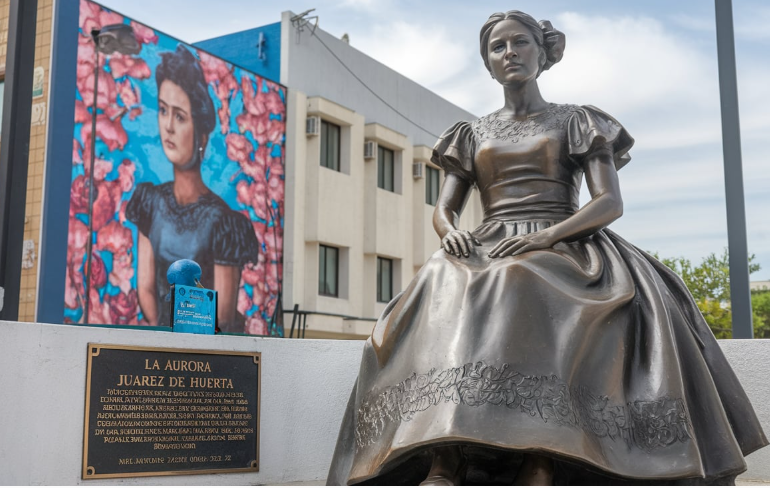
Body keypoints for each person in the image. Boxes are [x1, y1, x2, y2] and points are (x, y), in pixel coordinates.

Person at [326, 11, 767, 486]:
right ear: (488, 63)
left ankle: (542, 456)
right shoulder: (471, 133)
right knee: (438, 281)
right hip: (489, 239)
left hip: (567, 238)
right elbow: (444, 208)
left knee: (521, 276)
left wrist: (547, 236)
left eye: (520, 42)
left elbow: (609, 202)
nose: (510, 52)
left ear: (542, 52)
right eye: (498, 47)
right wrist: (448, 230)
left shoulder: (576, 120)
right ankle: (444, 456)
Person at [126, 44, 259, 332]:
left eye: (180, 116)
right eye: (163, 110)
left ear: (201, 133)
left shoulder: (225, 222)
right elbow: (145, 288)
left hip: (204, 356)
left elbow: (223, 320)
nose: (168, 127)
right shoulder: (150, 201)